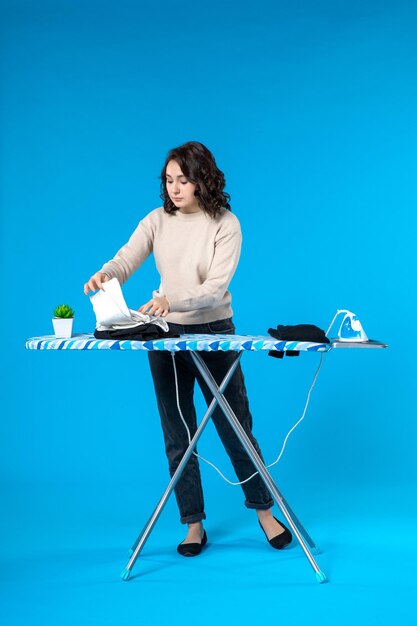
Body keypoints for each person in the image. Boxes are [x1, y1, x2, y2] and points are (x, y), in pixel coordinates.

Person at [83, 141, 292, 556]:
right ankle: (192, 524)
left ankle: (265, 512)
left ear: (202, 179)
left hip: (213, 330)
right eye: (168, 179)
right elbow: (127, 258)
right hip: (163, 333)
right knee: (177, 434)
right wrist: (106, 274)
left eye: (183, 179)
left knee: (235, 428)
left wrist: (172, 299)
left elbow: (215, 288)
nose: (174, 188)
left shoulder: (225, 224)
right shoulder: (157, 221)